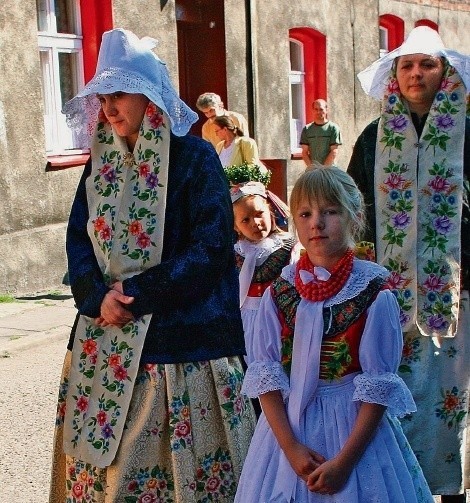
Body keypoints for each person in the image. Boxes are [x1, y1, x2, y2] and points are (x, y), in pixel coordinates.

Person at [48, 28, 256, 503]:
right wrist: (95, 295)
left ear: (149, 95)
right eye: (102, 97)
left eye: (118, 94)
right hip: (106, 336)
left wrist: (137, 297)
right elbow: (79, 236)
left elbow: (210, 249)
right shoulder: (101, 162)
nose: (108, 108)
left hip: (183, 343)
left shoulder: (194, 157)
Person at [234, 166, 433, 502]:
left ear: (354, 216)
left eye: (330, 212)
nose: (317, 223)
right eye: (306, 213)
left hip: (353, 432)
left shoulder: (373, 294)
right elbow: (265, 374)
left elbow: (377, 386)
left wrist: (345, 461)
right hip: (288, 432)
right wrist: (292, 449)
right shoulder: (278, 292)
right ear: (294, 221)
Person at [347, 26, 470, 502]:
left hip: (458, 293)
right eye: (406, 65)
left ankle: (454, 493)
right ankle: (402, 491)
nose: (416, 73)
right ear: (395, 75)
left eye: (427, 64)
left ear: (446, 72)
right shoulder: (375, 137)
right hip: (389, 295)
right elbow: (354, 210)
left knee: (451, 404)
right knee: (397, 398)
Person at [300, 99, 342, 168]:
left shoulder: (333, 128)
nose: (318, 112)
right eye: (316, 109)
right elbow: (304, 152)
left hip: (329, 169)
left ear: (326, 110)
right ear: (313, 110)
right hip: (313, 170)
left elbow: (334, 151)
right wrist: (312, 168)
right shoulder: (307, 129)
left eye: (321, 109)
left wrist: (323, 169)